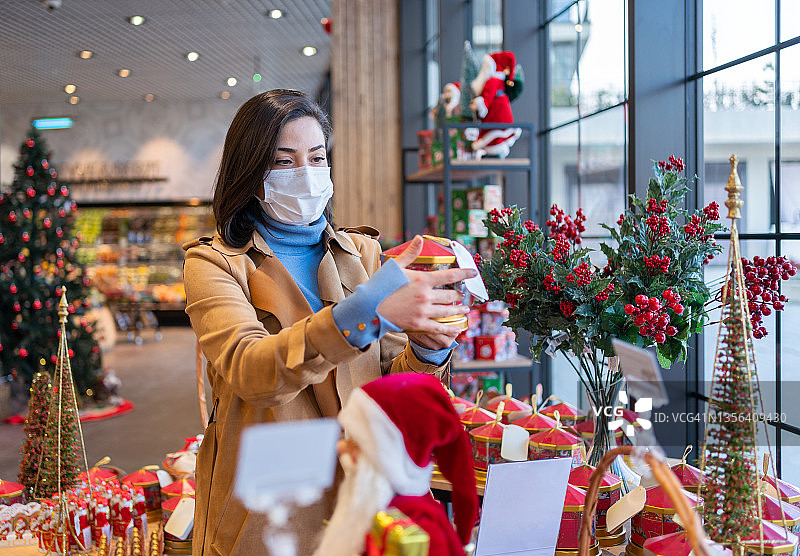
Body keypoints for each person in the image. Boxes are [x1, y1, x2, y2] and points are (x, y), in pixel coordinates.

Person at [183, 89, 475, 556]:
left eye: (317, 158)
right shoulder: (216, 264)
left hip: (364, 502)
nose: (306, 174)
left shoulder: (363, 254)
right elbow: (252, 371)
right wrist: (369, 312)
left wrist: (428, 347)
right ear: (251, 172)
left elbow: (391, 398)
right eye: (285, 161)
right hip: (270, 512)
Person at [314, 373, 479, 556]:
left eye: (356, 443)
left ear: (389, 456)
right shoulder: (381, 508)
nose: (341, 447)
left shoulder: (420, 531)